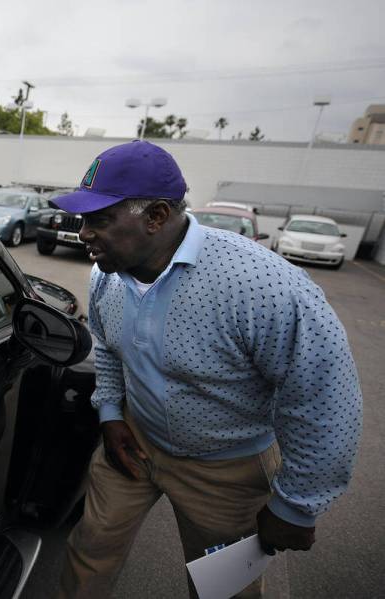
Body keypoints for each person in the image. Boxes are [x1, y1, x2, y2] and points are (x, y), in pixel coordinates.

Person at [49, 140, 362, 598]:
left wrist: (297, 506)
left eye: (99, 220)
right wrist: (112, 414)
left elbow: (322, 398)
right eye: (82, 220)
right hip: (133, 443)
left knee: (223, 589)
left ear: (156, 217)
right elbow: (110, 350)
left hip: (227, 470)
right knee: (88, 551)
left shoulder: (261, 285)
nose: (83, 234)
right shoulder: (105, 276)